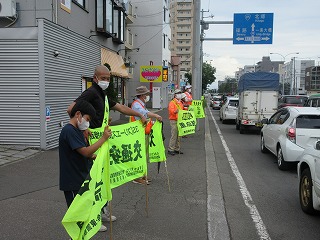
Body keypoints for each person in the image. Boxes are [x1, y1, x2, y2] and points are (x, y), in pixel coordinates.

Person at [67, 65, 147, 231]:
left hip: (102, 141)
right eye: (103, 78)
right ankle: (92, 217)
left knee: (103, 178)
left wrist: (139, 114)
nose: (106, 81)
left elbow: (119, 107)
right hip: (93, 143)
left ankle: (101, 210)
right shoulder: (90, 92)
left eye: (108, 78)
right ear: (95, 78)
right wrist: (83, 128)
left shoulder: (102, 94)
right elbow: (71, 109)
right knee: (94, 179)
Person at [59, 100, 112, 226]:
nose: (87, 123)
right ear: (78, 114)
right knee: (76, 216)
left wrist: (92, 155)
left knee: (83, 213)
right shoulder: (69, 131)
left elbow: (81, 152)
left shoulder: (77, 130)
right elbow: (85, 152)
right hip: (72, 180)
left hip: (80, 177)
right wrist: (103, 138)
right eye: (87, 119)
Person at [130, 86, 162, 185]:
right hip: (138, 133)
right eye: (146, 94)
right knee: (139, 154)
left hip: (143, 132)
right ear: (143, 95)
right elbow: (144, 114)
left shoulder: (140, 104)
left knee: (144, 154)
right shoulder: (137, 105)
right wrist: (156, 116)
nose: (147, 96)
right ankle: (137, 177)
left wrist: (151, 122)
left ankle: (142, 174)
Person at [167, 89, 184, 156]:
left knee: (179, 135)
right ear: (175, 95)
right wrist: (175, 111)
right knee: (174, 135)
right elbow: (171, 111)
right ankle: (171, 149)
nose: (179, 94)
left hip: (179, 120)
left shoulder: (180, 102)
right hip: (174, 120)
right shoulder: (172, 102)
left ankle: (177, 148)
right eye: (178, 93)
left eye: (180, 93)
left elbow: (182, 110)